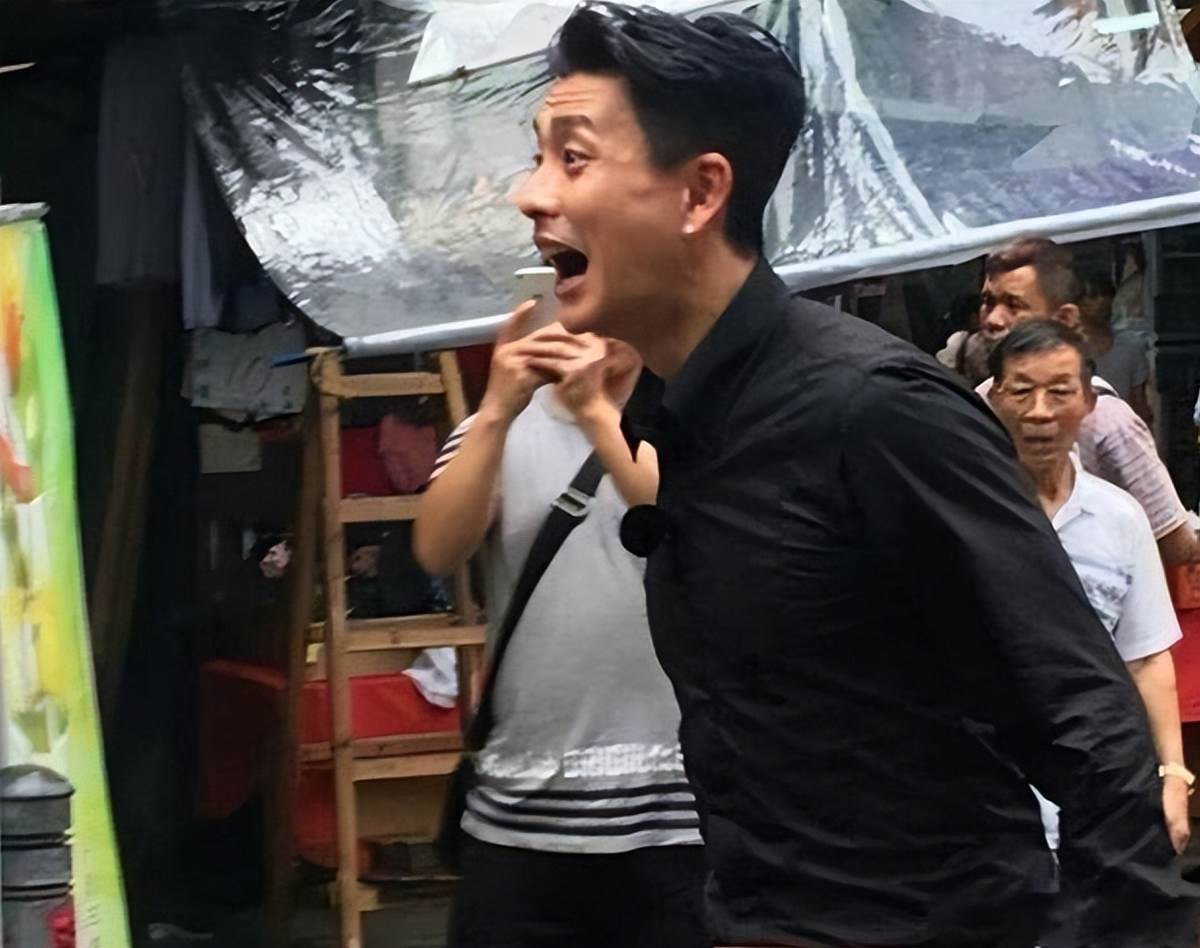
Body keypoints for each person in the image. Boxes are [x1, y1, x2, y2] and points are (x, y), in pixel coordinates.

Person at [514, 4, 1197, 945]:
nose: (531, 194)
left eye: (572, 158)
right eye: (539, 158)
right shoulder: (688, 418)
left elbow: (1079, 714)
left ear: (701, 192)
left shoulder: (872, 409)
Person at [412, 311, 707, 948]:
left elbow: (677, 524)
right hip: (521, 812)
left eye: (619, 304)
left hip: (679, 812)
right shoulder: (499, 429)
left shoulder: (697, 421)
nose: (600, 323)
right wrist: (495, 409)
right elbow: (437, 550)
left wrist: (595, 411)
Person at [987, 320, 1191, 865]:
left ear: (1088, 403)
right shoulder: (964, 512)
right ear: (994, 399)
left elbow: (1147, 658)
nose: (1039, 412)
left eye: (1059, 392)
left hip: (1100, 794)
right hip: (986, 805)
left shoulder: (1120, 518)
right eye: (1022, 391)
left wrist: (1173, 773)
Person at [977, 236, 1198, 566]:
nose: (993, 319)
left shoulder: (1107, 422)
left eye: (1014, 305)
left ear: (1065, 319)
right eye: (988, 301)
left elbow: (1176, 547)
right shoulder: (976, 404)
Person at [1076, 269, 1153, 424]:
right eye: (1093, 296)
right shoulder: (1067, 352)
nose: (1101, 302)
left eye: (1106, 295)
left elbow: (1139, 405)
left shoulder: (1130, 349)